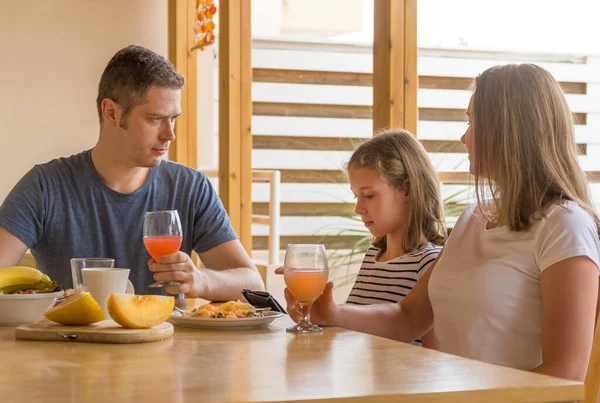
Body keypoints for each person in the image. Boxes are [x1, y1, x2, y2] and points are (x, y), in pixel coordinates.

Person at [283, 64, 600, 381]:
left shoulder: (565, 226)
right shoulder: (473, 219)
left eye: (473, 121)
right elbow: (407, 317)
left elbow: (566, 373)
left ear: (509, 130)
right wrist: (333, 313)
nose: (464, 137)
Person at [0, 45, 264, 299]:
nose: (169, 134)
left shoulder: (190, 187)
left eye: (174, 119)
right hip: (71, 343)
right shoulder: (46, 186)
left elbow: (253, 284)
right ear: (112, 112)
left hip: (170, 344)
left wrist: (201, 281)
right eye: (156, 119)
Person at [282, 129, 447, 348]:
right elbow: (353, 334)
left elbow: (433, 358)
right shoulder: (373, 257)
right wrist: (312, 316)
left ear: (406, 189)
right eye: (356, 195)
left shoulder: (428, 263)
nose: (358, 208)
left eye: (368, 195)